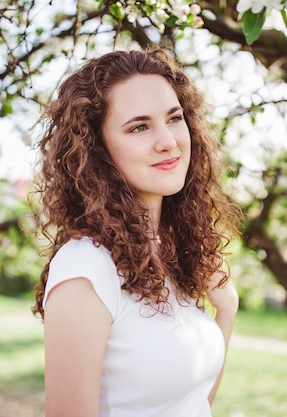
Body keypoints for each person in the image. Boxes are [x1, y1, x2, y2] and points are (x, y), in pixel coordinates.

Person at [32, 47, 240, 417]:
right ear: (98, 150)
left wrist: (226, 309)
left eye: (174, 119)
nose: (168, 141)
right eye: (139, 127)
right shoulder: (85, 269)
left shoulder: (174, 253)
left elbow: (192, 404)